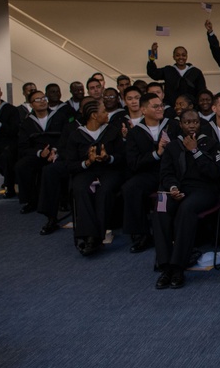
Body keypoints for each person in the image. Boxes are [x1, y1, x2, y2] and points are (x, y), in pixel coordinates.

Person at [152, 109, 220, 289]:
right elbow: (166, 173)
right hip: (178, 189)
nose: (191, 125)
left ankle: (178, 267)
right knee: (161, 206)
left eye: (195, 122)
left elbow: (216, 174)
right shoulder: (173, 146)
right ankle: (165, 265)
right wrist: (173, 188)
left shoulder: (210, 143)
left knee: (186, 209)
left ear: (200, 123)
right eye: (187, 122)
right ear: (181, 125)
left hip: (204, 190)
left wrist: (195, 151)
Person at [65, 100, 125, 257]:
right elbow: (70, 165)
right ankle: (89, 236)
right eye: (104, 111)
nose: (107, 114)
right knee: (80, 189)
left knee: (105, 190)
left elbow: (122, 157)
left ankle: (97, 236)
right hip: (85, 172)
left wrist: (108, 158)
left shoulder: (112, 131)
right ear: (94, 115)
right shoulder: (76, 135)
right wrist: (87, 162)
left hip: (109, 171)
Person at [122, 93, 171, 254]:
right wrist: (156, 154)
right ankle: (141, 234)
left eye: (161, 105)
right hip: (149, 174)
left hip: (171, 173)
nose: (160, 109)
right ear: (143, 110)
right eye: (155, 106)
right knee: (130, 188)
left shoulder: (172, 126)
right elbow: (133, 163)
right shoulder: (135, 133)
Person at [15, 90, 69, 214]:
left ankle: (63, 200)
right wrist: (39, 152)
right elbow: (23, 146)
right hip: (38, 153)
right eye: (37, 100)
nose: (42, 101)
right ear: (31, 104)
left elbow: (66, 137)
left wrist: (55, 150)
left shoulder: (59, 117)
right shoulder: (27, 122)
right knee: (21, 166)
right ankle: (31, 201)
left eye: (43, 98)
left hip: (58, 151)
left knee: (61, 166)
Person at [147, 44, 207, 109]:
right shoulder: (168, 70)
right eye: (177, 55)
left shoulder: (196, 72)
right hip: (171, 107)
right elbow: (153, 73)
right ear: (173, 57)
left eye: (183, 55)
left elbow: (202, 90)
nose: (181, 57)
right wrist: (152, 58)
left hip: (191, 108)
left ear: (187, 56)